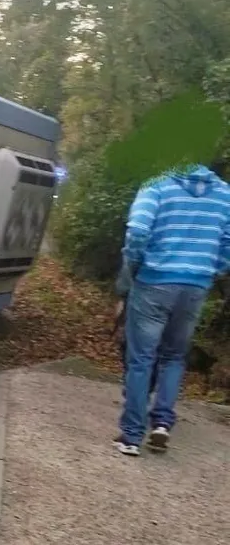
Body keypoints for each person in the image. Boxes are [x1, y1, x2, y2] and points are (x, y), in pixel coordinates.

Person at [113, 163, 230, 456]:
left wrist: (135, 269)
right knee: (174, 356)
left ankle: (131, 436)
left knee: (141, 359)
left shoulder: (157, 186)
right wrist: (211, 270)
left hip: (154, 281)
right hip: (195, 286)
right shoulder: (225, 194)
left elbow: (137, 231)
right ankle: (162, 423)